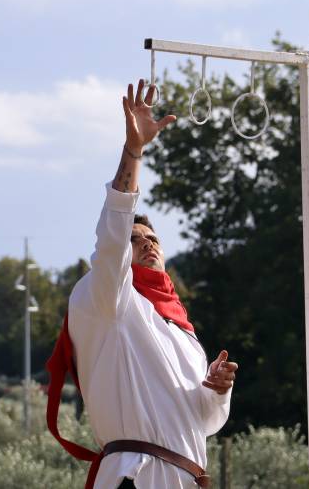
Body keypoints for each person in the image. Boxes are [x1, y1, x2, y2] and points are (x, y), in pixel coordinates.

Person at [46, 79, 238, 488]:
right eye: (136, 240)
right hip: (137, 475)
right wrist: (134, 152)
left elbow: (202, 421)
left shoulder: (181, 331)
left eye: (153, 239)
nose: (146, 244)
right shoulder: (107, 300)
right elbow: (112, 237)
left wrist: (217, 391)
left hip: (185, 477)